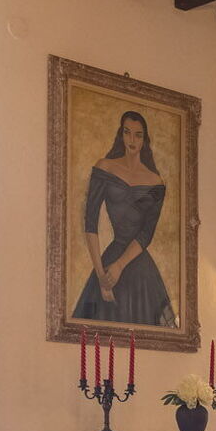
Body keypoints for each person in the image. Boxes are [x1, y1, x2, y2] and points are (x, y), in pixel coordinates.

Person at [73, 109, 175, 327]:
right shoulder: (105, 167)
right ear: (121, 134)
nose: (132, 140)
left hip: (140, 268)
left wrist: (119, 266)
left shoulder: (156, 182)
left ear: (144, 140)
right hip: (108, 263)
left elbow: (146, 233)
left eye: (138, 135)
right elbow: (90, 223)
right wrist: (102, 277)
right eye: (127, 132)